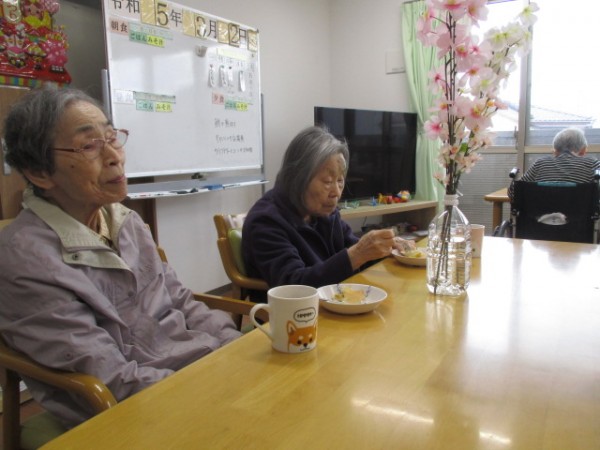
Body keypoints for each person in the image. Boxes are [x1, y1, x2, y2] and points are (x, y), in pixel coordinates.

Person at [0, 87, 242, 428]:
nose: (115, 156)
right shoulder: (25, 260)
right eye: (89, 145)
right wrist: (214, 388)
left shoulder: (126, 222)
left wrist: (238, 349)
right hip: (140, 412)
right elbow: (114, 382)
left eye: (112, 137)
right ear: (39, 172)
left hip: (198, 372)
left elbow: (181, 301)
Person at [242, 126, 414, 301]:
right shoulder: (265, 221)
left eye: (340, 180)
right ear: (298, 178)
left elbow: (355, 248)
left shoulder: (324, 212)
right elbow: (294, 286)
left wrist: (386, 246)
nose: (337, 192)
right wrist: (357, 254)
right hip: (293, 314)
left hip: (334, 301)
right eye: (328, 181)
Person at [508, 127, 600, 200]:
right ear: (583, 150)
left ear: (555, 151)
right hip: (581, 217)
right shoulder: (593, 164)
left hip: (540, 217)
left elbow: (514, 192)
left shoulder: (541, 163)